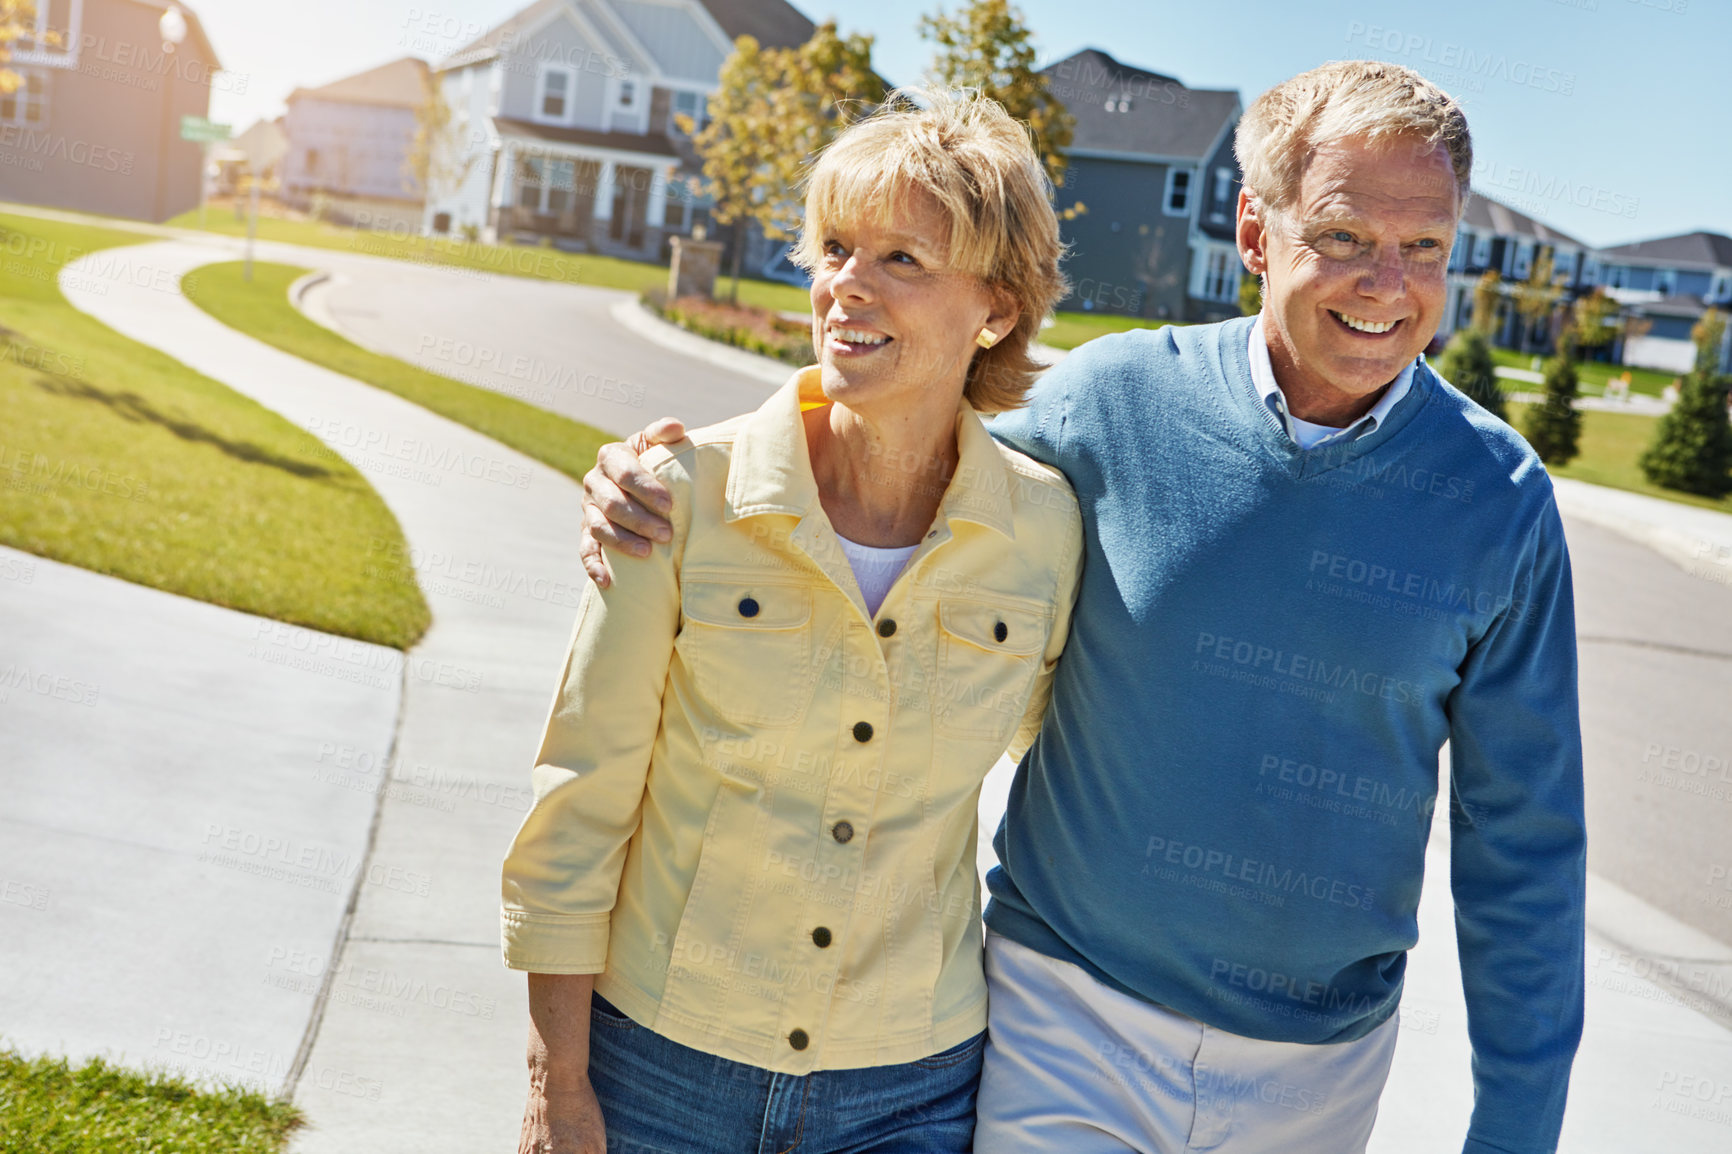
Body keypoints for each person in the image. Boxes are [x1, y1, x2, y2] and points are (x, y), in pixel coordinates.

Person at [580, 60, 1587, 1154]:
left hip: (1319, 1065)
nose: (1386, 282)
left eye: (1424, 246)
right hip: (1067, 1010)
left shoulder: (1499, 501)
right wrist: (677, 480)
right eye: (1342, 236)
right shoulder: (1109, 403)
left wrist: (1516, 1130)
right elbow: (901, 441)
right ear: (1255, 232)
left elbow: (1523, 847)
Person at [502, 89, 1082, 1154]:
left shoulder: (1046, 530)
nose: (843, 286)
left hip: (910, 1086)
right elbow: (581, 798)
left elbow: (1089, 760)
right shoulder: (674, 493)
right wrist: (556, 1080)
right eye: (834, 248)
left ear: (995, 310)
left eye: (901, 259)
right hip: (658, 1066)